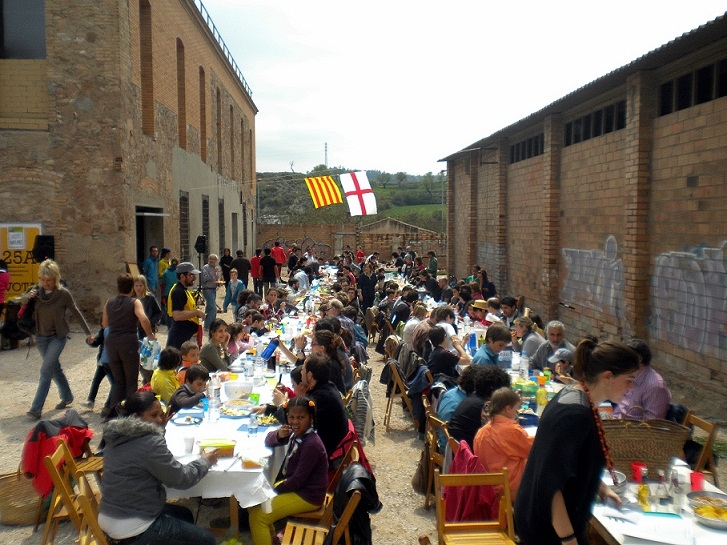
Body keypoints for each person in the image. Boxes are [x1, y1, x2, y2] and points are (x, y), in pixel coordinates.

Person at [515, 340, 638, 545]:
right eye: (629, 380)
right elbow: (551, 485)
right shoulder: (575, 414)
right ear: (607, 377)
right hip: (549, 529)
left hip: (553, 520)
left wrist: (601, 488)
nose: (632, 387)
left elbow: (574, 462)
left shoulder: (577, 396)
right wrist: (569, 539)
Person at [98, 391, 218, 545]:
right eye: (154, 415)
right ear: (136, 417)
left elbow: (143, 456)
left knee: (185, 514)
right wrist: (205, 461)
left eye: (161, 414)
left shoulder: (116, 437)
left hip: (111, 514)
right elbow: (182, 479)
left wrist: (158, 430)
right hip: (132, 526)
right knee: (207, 540)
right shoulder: (149, 443)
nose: (160, 419)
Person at [249, 395, 328, 545]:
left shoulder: (311, 443)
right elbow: (268, 439)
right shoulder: (296, 434)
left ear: (311, 418)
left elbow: (298, 480)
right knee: (253, 504)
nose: (295, 422)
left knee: (258, 517)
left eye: (301, 417)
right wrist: (279, 434)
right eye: (291, 417)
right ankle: (271, 540)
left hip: (308, 495)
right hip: (297, 487)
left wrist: (273, 491)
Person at [25, 260, 94, 420]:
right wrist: (27, 298)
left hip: (58, 337)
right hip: (41, 337)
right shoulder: (36, 293)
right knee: (54, 368)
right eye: (42, 279)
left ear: (55, 278)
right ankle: (67, 396)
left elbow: (75, 311)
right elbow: (21, 304)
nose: (45, 283)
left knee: (46, 370)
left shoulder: (63, 294)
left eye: (48, 280)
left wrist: (88, 333)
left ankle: (35, 409)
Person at [104, 273, 157, 411]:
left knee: (118, 381)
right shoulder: (135, 302)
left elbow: (104, 324)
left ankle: (114, 412)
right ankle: (130, 412)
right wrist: (150, 335)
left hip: (112, 344)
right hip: (128, 343)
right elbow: (144, 319)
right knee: (131, 381)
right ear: (132, 288)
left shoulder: (109, 302)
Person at [473, 387, 534, 500]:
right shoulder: (512, 430)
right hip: (509, 487)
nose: (516, 413)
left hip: (488, 487)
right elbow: (532, 450)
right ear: (507, 408)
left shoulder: (481, 433)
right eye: (515, 409)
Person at [448, 366, 510, 449]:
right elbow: (501, 434)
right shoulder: (484, 407)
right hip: (470, 454)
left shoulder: (470, 398)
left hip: (458, 449)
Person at [301, 353, 349, 458]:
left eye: (303, 369)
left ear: (310, 375)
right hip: (331, 445)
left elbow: (297, 422)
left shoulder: (320, 398)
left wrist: (281, 403)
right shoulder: (328, 386)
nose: (301, 371)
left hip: (326, 455)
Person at [612, 339, 671, 420]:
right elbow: (621, 406)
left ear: (639, 359)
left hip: (633, 430)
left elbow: (653, 425)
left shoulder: (655, 386)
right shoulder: (630, 375)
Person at [166, 262, 205, 349]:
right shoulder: (178, 292)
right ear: (182, 277)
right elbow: (177, 315)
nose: (194, 278)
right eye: (191, 275)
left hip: (186, 334)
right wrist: (196, 312)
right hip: (181, 337)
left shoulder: (184, 290)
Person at [82, 326, 114, 416]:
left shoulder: (119, 328)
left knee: (115, 384)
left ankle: (107, 406)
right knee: (96, 380)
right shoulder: (105, 329)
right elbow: (97, 341)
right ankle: (91, 400)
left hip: (112, 362)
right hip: (103, 361)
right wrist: (91, 341)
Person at [200, 254, 220, 330]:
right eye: (210, 259)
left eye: (213, 259)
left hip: (213, 289)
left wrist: (217, 273)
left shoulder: (216, 268)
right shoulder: (205, 268)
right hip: (207, 289)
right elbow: (205, 278)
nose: (212, 260)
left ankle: (208, 325)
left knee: (209, 308)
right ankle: (209, 325)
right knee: (213, 307)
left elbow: (217, 278)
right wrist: (213, 273)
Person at [161, 258, 178, 325]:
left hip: (167, 292)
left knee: (168, 308)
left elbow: (163, 282)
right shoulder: (178, 272)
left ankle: (168, 322)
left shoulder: (165, 272)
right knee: (176, 307)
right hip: (176, 291)